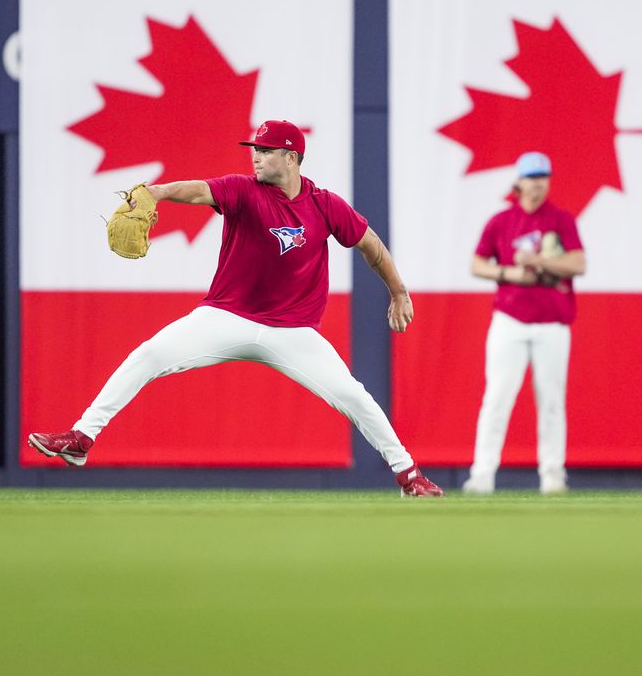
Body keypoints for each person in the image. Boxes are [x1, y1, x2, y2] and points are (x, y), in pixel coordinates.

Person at [27, 119, 444, 497]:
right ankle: (81, 438)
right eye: (255, 149)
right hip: (226, 316)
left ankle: (409, 476)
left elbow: (371, 246)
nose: (256, 156)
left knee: (353, 396)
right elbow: (196, 190)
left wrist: (399, 292)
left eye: (265, 150)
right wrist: (155, 192)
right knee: (149, 354)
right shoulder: (242, 189)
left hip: (293, 331)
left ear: (292, 157)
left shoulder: (324, 204)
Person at [464, 152, 586, 495]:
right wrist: (508, 272)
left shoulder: (560, 220)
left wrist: (542, 261)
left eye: (543, 176)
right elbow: (477, 263)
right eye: (532, 177)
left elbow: (578, 262)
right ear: (518, 182)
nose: (538, 183)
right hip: (510, 320)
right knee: (497, 397)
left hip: (552, 322)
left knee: (551, 400)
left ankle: (552, 475)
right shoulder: (502, 221)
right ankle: (482, 475)